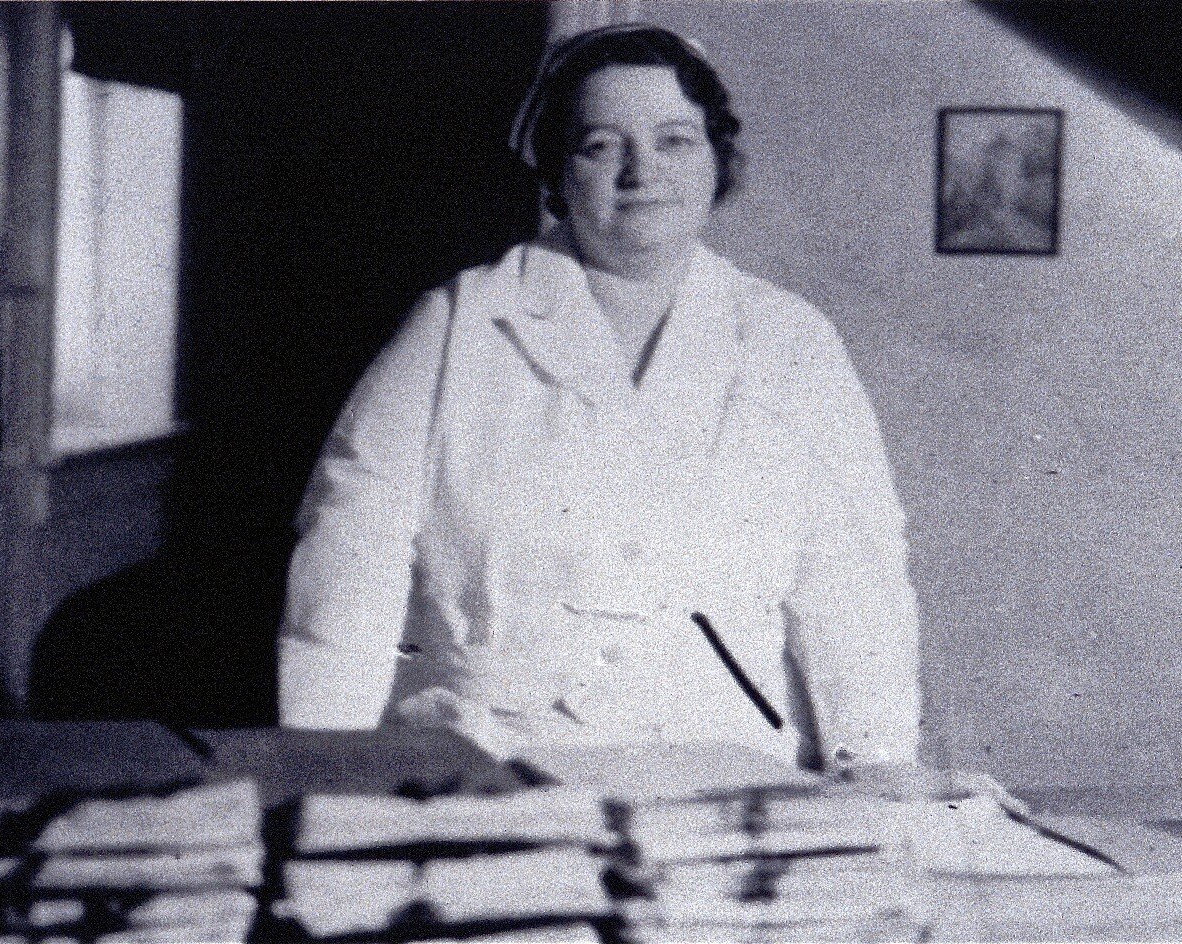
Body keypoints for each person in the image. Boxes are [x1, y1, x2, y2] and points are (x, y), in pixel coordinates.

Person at [278, 24, 920, 774]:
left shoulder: (791, 341)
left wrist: (875, 765)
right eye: (601, 146)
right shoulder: (458, 324)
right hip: (489, 767)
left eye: (675, 140)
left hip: (728, 768)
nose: (641, 172)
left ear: (717, 159)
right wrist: (324, 767)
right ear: (557, 171)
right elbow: (350, 557)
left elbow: (855, 586)